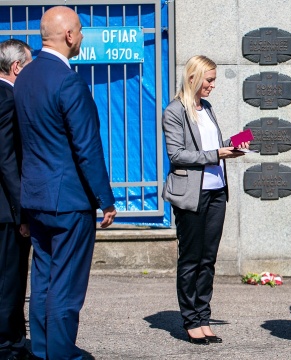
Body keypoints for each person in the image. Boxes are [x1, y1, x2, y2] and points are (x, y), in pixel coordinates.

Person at [13, 6, 117, 359]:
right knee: (66, 287)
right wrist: (106, 199)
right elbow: (87, 147)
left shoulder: (23, 77)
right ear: (70, 36)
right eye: (80, 30)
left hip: (36, 197)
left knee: (42, 280)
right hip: (69, 201)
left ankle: (42, 352)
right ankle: (60, 354)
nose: (83, 37)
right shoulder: (69, 81)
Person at [162, 55, 248, 345]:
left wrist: (231, 146)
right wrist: (218, 155)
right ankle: (190, 321)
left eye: (213, 79)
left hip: (216, 192)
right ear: (193, 78)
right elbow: (177, 155)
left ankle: (204, 317)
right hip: (190, 194)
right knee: (190, 259)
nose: (212, 85)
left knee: (208, 260)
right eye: (208, 79)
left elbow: (209, 147)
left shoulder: (207, 108)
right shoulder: (174, 111)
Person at [0, 39, 32, 360]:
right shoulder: (7, 98)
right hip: (8, 211)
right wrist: (22, 209)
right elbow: (7, 160)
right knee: (10, 280)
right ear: (17, 67)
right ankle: (8, 345)